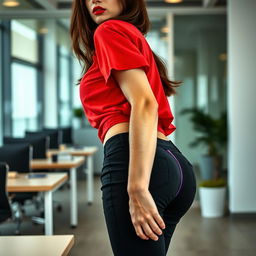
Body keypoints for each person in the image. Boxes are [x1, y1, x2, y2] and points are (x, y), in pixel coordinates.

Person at [70, 0, 197, 255]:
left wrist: (137, 187)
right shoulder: (129, 35)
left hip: (135, 160)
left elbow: (145, 103)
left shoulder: (109, 31)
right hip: (172, 162)